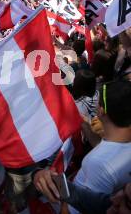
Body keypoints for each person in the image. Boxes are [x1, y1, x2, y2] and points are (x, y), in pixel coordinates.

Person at [33, 80, 131, 213]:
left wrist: (52, 180)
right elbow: (108, 149)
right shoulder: (117, 147)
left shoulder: (98, 164)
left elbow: (73, 207)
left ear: (101, 111)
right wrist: (85, 126)